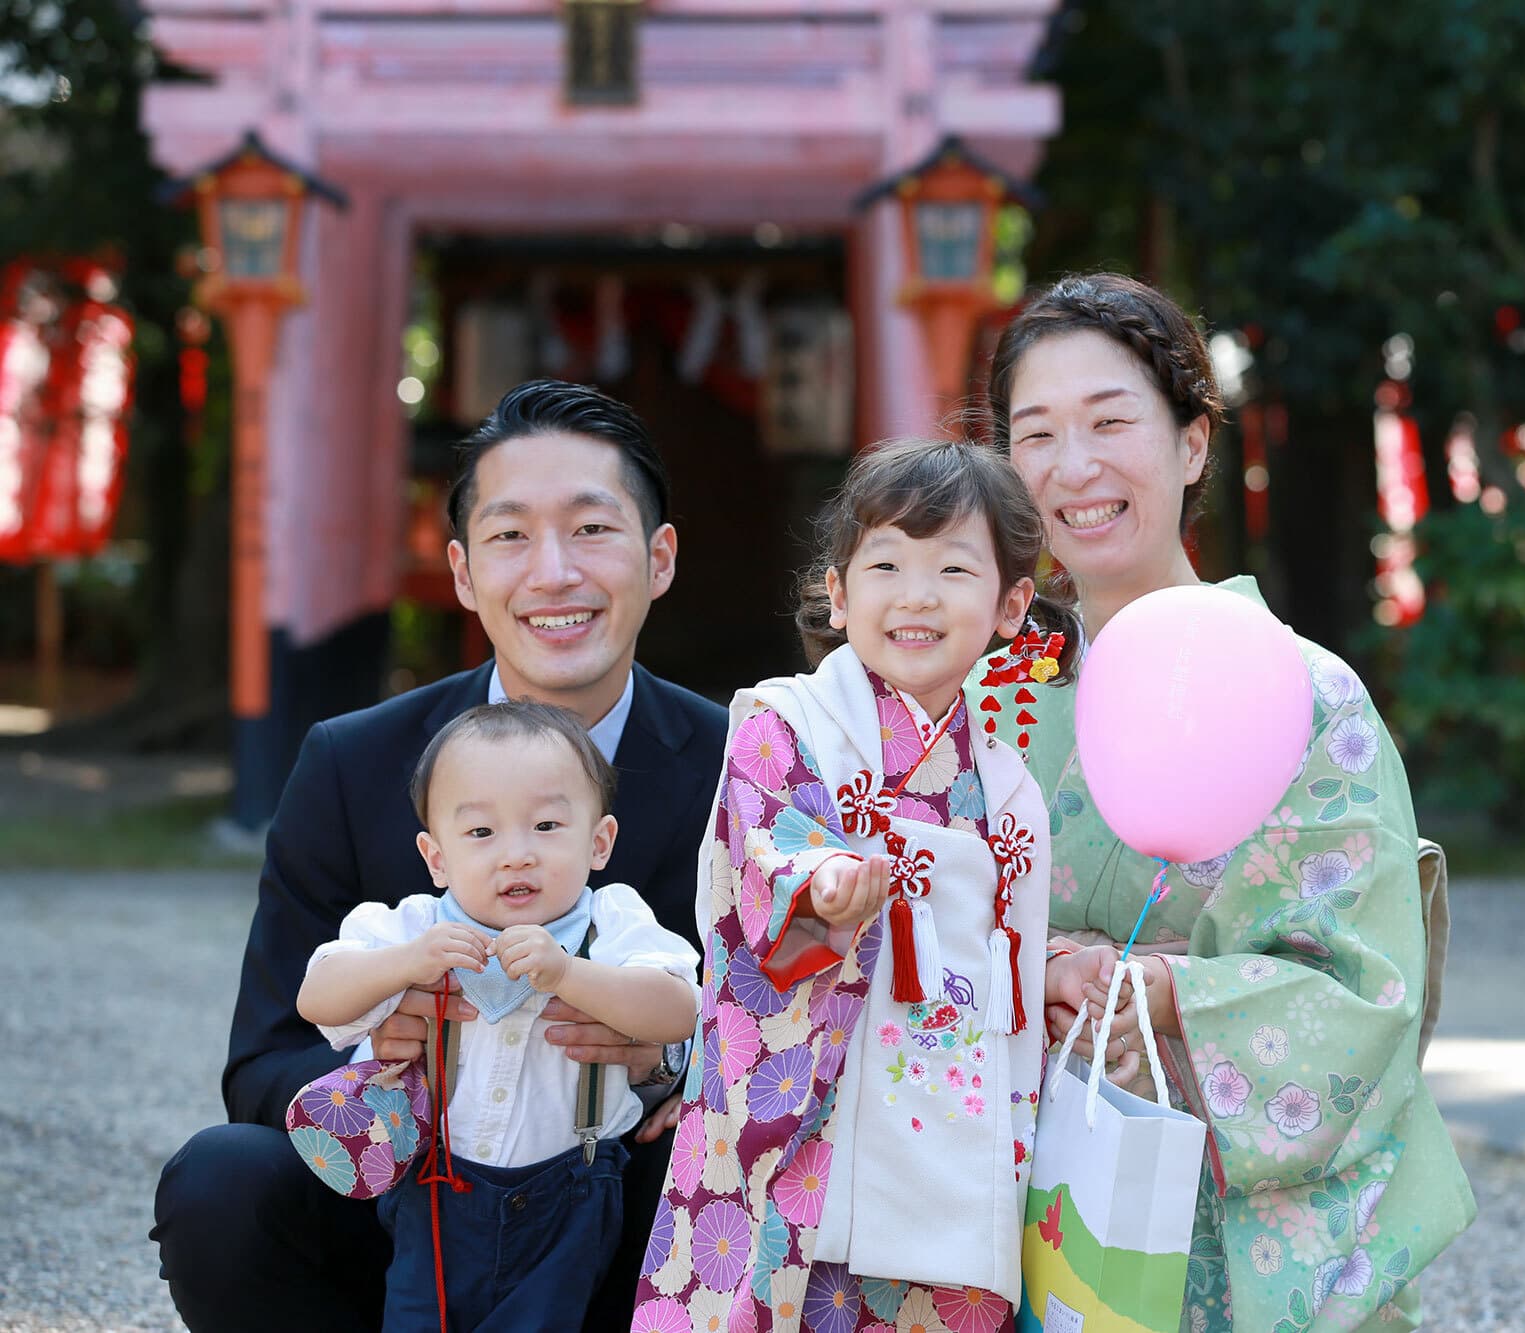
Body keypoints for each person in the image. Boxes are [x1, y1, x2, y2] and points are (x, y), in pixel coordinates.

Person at [152, 379, 729, 1332]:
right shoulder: (353, 763)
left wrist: (671, 1065)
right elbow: (261, 1062)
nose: (553, 572)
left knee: (712, 1168)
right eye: (511, 535)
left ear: (659, 557)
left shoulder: (744, 763)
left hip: (625, 1213)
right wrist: (385, 1058)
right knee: (221, 1181)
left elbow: (811, 1037)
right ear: (462, 571)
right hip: (406, 1211)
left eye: (592, 529)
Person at [980, 275, 1476, 1332]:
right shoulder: (984, 693)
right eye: (1037, 434)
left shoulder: (1304, 695)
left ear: (1193, 443)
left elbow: (1363, 993)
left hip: (1221, 1227)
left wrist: (1162, 995)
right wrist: (1035, 969)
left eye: (1110, 422)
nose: (1074, 466)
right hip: (1011, 1198)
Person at [631, 439, 1079, 1333]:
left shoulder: (1008, 787)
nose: (916, 595)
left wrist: (1051, 968)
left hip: (948, 1120)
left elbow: (1006, 948)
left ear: (1010, 606)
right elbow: (771, 842)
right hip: (806, 1116)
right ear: (838, 594)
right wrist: (822, 885)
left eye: (954, 569)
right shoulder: (784, 722)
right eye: (886, 565)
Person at [298, 700, 701, 1330]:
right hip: (434, 1183)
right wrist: (405, 963)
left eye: (546, 826)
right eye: (482, 833)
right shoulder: (416, 926)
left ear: (599, 842)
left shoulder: (610, 923)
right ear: (436, 858)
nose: (516, 854)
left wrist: (569, 974)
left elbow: (678, 1011)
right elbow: (316, 996)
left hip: (570, 1191)